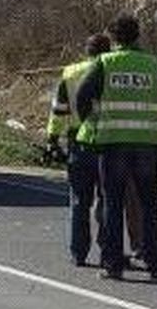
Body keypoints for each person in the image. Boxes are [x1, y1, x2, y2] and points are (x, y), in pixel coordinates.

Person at [74, 16, 157, 281]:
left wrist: (92, 123)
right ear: (137, 36)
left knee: (113, 204)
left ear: (113, 39)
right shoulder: (153, 64)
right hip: (148, 145)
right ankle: (154, 263)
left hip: (113, 143)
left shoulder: (105, 63)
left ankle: (113, 264)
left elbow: (82, 96)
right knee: (149, 205)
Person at [47, 33, 112, 268]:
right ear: (108, 50)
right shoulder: (111, 71)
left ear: (87, 51)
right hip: (107, 140)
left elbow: (59, 110)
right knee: (107, 199)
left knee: (79, 201)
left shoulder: (70, 73)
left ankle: (78, 252)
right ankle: (108, 248)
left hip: (78, 140)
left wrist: (52, 139)